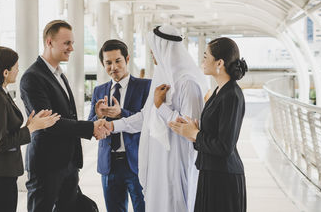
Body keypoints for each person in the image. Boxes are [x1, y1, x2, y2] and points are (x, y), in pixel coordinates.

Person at [104, 25, 208, 212]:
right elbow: (146, 117)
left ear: (165, 48)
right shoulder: (161, 78)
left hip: (177, 160)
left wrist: (161, 106)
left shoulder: (188, 83)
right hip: (159, 159)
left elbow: (190, 129)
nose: (152, 53)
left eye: (154, 48)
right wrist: (113, 126)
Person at [20, 20, 107, 212]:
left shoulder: (59, 75)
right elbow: (49, 123)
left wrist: (93, 119)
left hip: (68, 163)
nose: (72, 48)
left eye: (72, 43)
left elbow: (67, 116)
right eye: (67, 43)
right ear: (49, 42)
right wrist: (90, 128)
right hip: (46, 165)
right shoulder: (32, 77)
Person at [0, 46, 60, 212]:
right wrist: (31, 129)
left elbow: (4, 133)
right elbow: (1, 143)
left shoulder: (1, 94)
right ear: (5, 72)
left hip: (2, 175)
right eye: (16, 66)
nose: (18, 70)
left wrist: (29, 125)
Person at [168, 37, 248, 212]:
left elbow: (224, 146)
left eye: (205, 57)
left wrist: (196, 134)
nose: (202, 61)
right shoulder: (219, 91)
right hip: (211, 172)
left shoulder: (232, 95)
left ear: (219, 63)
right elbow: (213, 135)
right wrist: (193, 131)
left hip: (223, 179)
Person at [88, 39, 151, 212]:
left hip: (136, 163)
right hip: (109, 165)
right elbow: (89, 125)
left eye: (118, 61)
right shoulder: (99, 90)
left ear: (127, 59)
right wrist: (98, 115)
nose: (113, 67)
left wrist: (121, 113)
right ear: (103, 64)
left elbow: (148, 121)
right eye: (108, 63)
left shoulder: (145, 87)